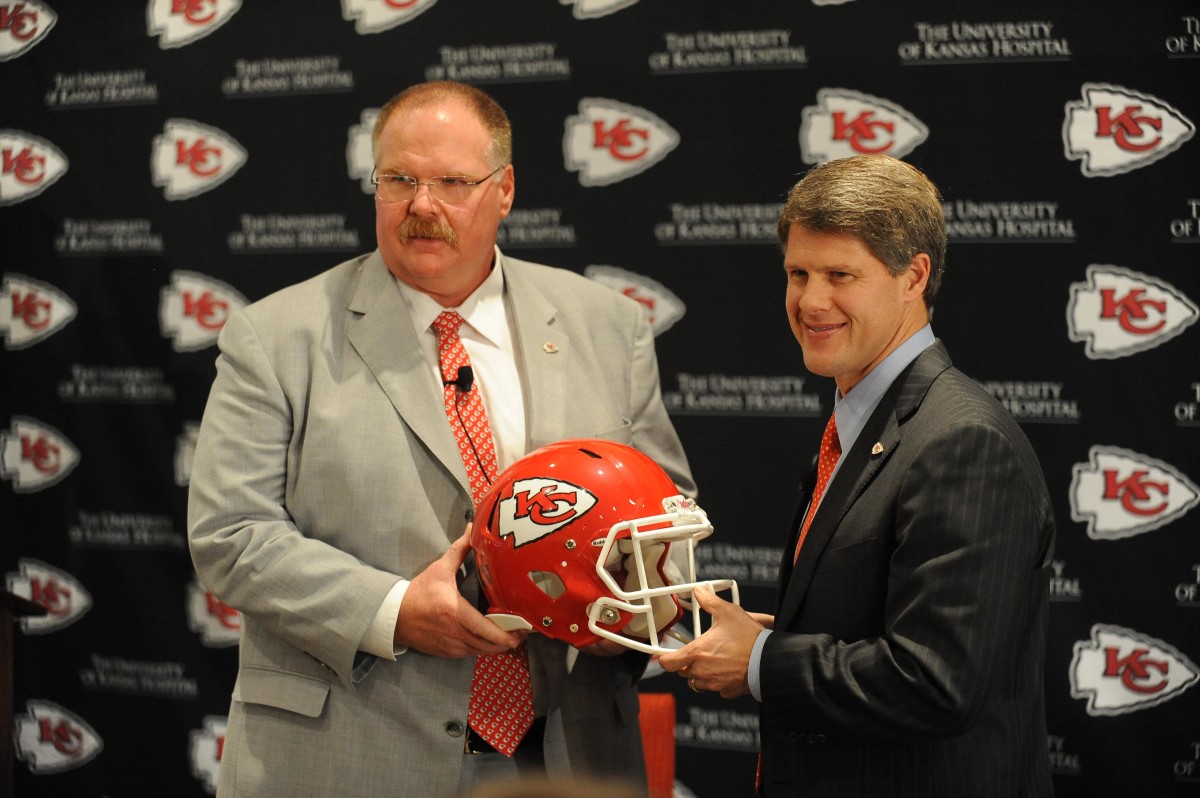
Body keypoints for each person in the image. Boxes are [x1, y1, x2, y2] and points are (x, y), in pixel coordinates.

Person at [187, 80, 693, 797]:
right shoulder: (276, 337)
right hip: (353, 753)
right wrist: (391, 612)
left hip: (564, 753)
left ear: (505, 190)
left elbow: (666, 509)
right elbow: (230, 535)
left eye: (452, 182)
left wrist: (630, 596)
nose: (422, 205)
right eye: (400, 179)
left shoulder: (606, 325)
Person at [658, 155, 1056, 797]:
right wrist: (775, 637)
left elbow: (937, 682)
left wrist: (760, 661)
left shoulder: (963, 442)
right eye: (798, 273)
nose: (811, 301)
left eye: (840, 274)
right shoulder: (866, 421)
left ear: (914, 276)